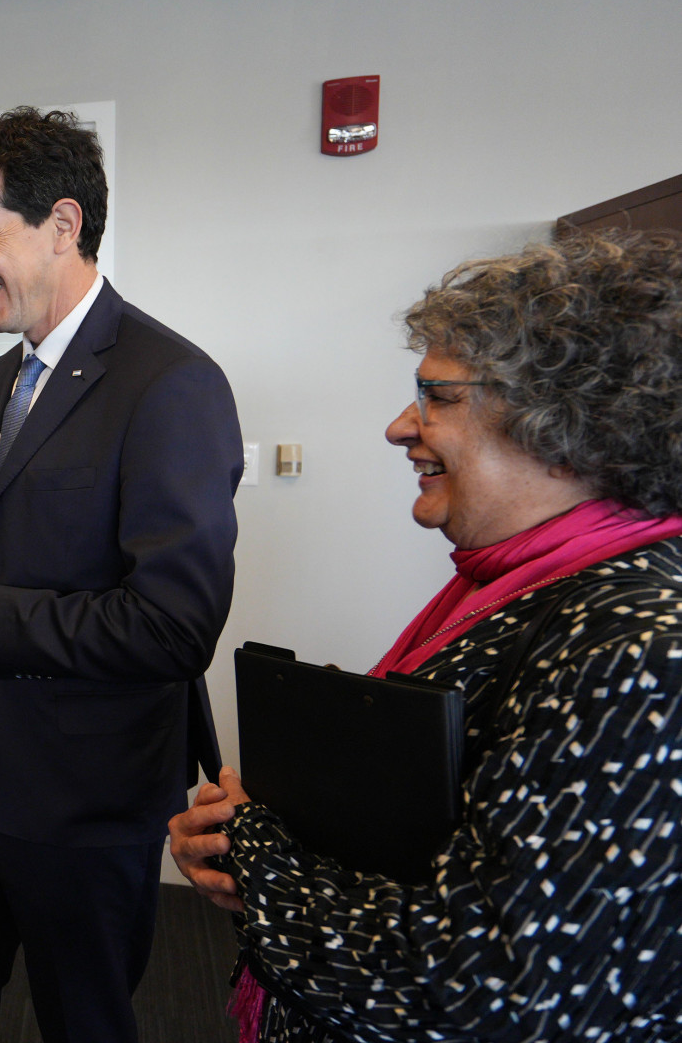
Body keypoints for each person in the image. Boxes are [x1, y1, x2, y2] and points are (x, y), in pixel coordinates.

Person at [171, 229, 682, 1043]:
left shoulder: (639, 646)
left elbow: (486, 986)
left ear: (564, 423)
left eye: (438, 397)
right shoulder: (521, 586)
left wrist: (255, 846)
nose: (399, 427)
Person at [0, 107, 243, 1042]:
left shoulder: (171, 383)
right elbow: (29, 548)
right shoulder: (7, 376)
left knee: (83, 1018)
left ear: (63, 226)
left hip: (87, 788)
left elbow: (173, 627)